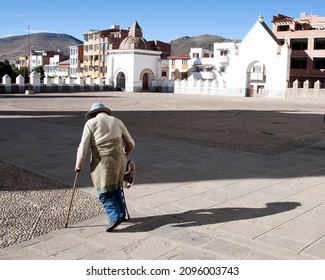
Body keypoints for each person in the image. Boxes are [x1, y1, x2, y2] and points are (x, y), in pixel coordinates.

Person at [75, 102, 135, 232]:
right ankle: (121, 214)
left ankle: (115, 217)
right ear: (105, 112)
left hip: (102, 161)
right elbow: (131, 143)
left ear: (93, 114)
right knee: (116, 187)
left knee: (105, 191)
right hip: (119, 160)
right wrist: (124, 154)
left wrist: (78, 165)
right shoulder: (118, 121)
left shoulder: (91, 124)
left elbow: (83, 146)